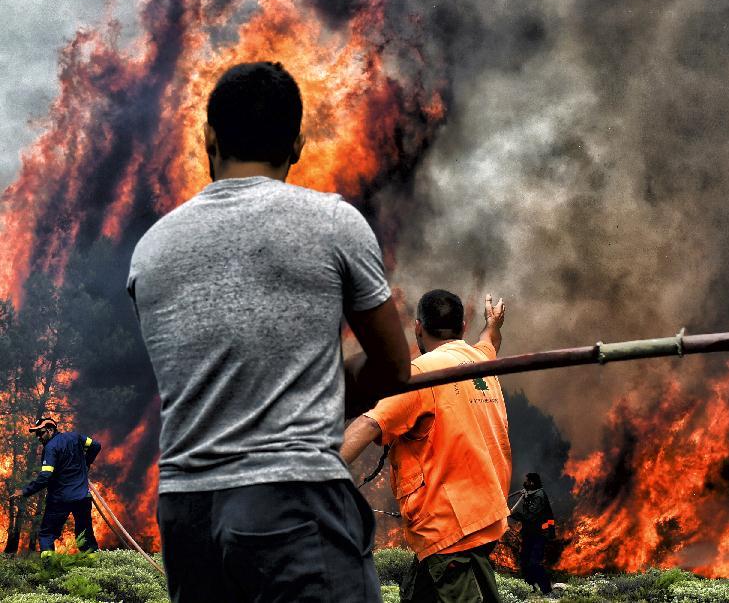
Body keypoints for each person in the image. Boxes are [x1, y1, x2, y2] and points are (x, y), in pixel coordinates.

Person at [127, 61, 412, 603]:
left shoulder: (151, 249)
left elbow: (207, 373)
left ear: (208, 136)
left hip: (186, 513)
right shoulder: (332, 223)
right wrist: (326, 384)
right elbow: (395, 368)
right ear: (298, 142)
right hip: (290, 498)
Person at [341, 290, 510, 603]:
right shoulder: (478, 361)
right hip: (482, 517)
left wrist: (319, 478)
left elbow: (368, 425)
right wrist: (492, 322)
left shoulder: (419, 374)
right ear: (461, 326)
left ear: (418, 327)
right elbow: (490, 341)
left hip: (449, 529)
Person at [8, 417, 102, 554]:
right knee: (85, 536)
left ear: (51, 430)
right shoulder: (75, 437)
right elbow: (95, 446)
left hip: (60, 499)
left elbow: (45, 476)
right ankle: (94, 568)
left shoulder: (50, 447)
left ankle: (49, 568)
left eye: (41, 433)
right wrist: (86, 464)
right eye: (37, 434)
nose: (38, 437)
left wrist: (24, 491)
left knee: (47, 535)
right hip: (82, 497)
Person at [509, 472, 555, 594]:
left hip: (541, 533)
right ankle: (530, 588)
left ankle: (547, 590)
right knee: (524, 561)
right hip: (531, 533)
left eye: (527, 481)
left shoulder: (539, 496)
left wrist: (511, 513)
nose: (525, 483)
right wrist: (526, 497)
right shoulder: (532, 495)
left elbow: (529, 516)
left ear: (532, 483)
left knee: (534, 562)